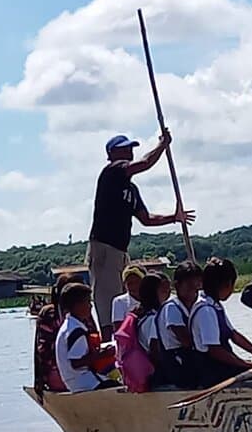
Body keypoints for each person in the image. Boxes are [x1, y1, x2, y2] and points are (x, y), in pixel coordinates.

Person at [86, 130, 196, 339]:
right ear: (112, 153)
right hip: (104, 249)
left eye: (131, 148)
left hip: (120, 250)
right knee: (109, 305)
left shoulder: (132, 189)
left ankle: (135, 342)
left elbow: (146, 219)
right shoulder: (112, 171)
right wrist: (162, 145)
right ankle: (113, 346)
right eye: (125, 148)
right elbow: (145, 163)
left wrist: (174, 218)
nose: (130, 151)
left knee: (127, 300)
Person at [190, 257, 252, 388]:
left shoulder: (214, 305)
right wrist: (246, 364)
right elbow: (215, 351)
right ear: (226, 284)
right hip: (212, 371)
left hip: (221, 366)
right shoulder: (205, 310)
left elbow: (234, 336)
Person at [54, 283, 117, 393]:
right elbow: (76, 363)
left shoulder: (68, 326)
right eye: (87, 302)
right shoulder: (76, 331)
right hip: (84, 382)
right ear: (76, 305)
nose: (90, 306)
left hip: (75, 380)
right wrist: (102, 354)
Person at [34, 272, 82, 395]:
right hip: (59, 373)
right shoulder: (49, 314)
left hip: (82, 368)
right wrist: (40, 381)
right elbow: (43, 352)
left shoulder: (83, 310)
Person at [115, 273, 164, 393]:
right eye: (163, 290)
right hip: (154, 373)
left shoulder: (140, 316)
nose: (166, 293)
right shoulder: (153, 318)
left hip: (144, 370)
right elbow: (154, 349)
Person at [157, 260, 203, 388]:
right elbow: (186, 341)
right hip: (178, 363)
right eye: (189, 286)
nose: (194, 292)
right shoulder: (172, 308)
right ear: (177, 285)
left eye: (197, 287)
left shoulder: (195, 306)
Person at [111, 264, 145, 331]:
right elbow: (119, 330)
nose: (134, 286)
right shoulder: (119, 301)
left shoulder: (153, 299)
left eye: (137, 282)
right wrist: (132, 316)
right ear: (125, 285)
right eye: (130, 283)